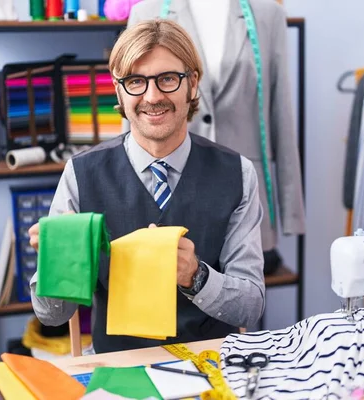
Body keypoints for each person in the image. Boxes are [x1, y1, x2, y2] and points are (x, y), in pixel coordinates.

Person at [28, 19, 265, 354]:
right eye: (136, 81)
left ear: (192, 84)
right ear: (118, 92)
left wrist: (196, 276)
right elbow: (52, 316)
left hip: (210, 363)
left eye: (167, 79)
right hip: (118, 366)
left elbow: (251, 306)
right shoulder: (81, 174)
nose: (152, 97)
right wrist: (57, 262)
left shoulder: (237, 173)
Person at [125, 0, 306, 274]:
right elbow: (135, 103)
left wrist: (291, 212)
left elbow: (281, 111)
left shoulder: (268, 14)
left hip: (244, 194)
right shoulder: (146, 12)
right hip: (171, 187)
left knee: (241, 301)